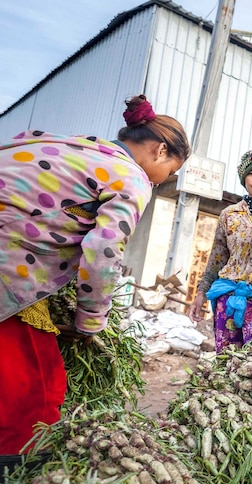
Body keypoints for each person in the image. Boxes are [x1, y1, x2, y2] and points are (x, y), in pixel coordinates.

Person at [0, 94, 190, 455]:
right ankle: (14, 474)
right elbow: (102, 253)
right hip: (8, 264)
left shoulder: (73, 146)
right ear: (160, 151)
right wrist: (90, 322)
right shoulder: (131, 177)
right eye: (171, 172)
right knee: (37, 390)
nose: (164, 180)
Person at [189, 149, 252, 355]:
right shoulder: (229, 214)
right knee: (228, 361)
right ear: (243, 177)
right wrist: (201, 293)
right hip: (227, 296)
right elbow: (217, 258)